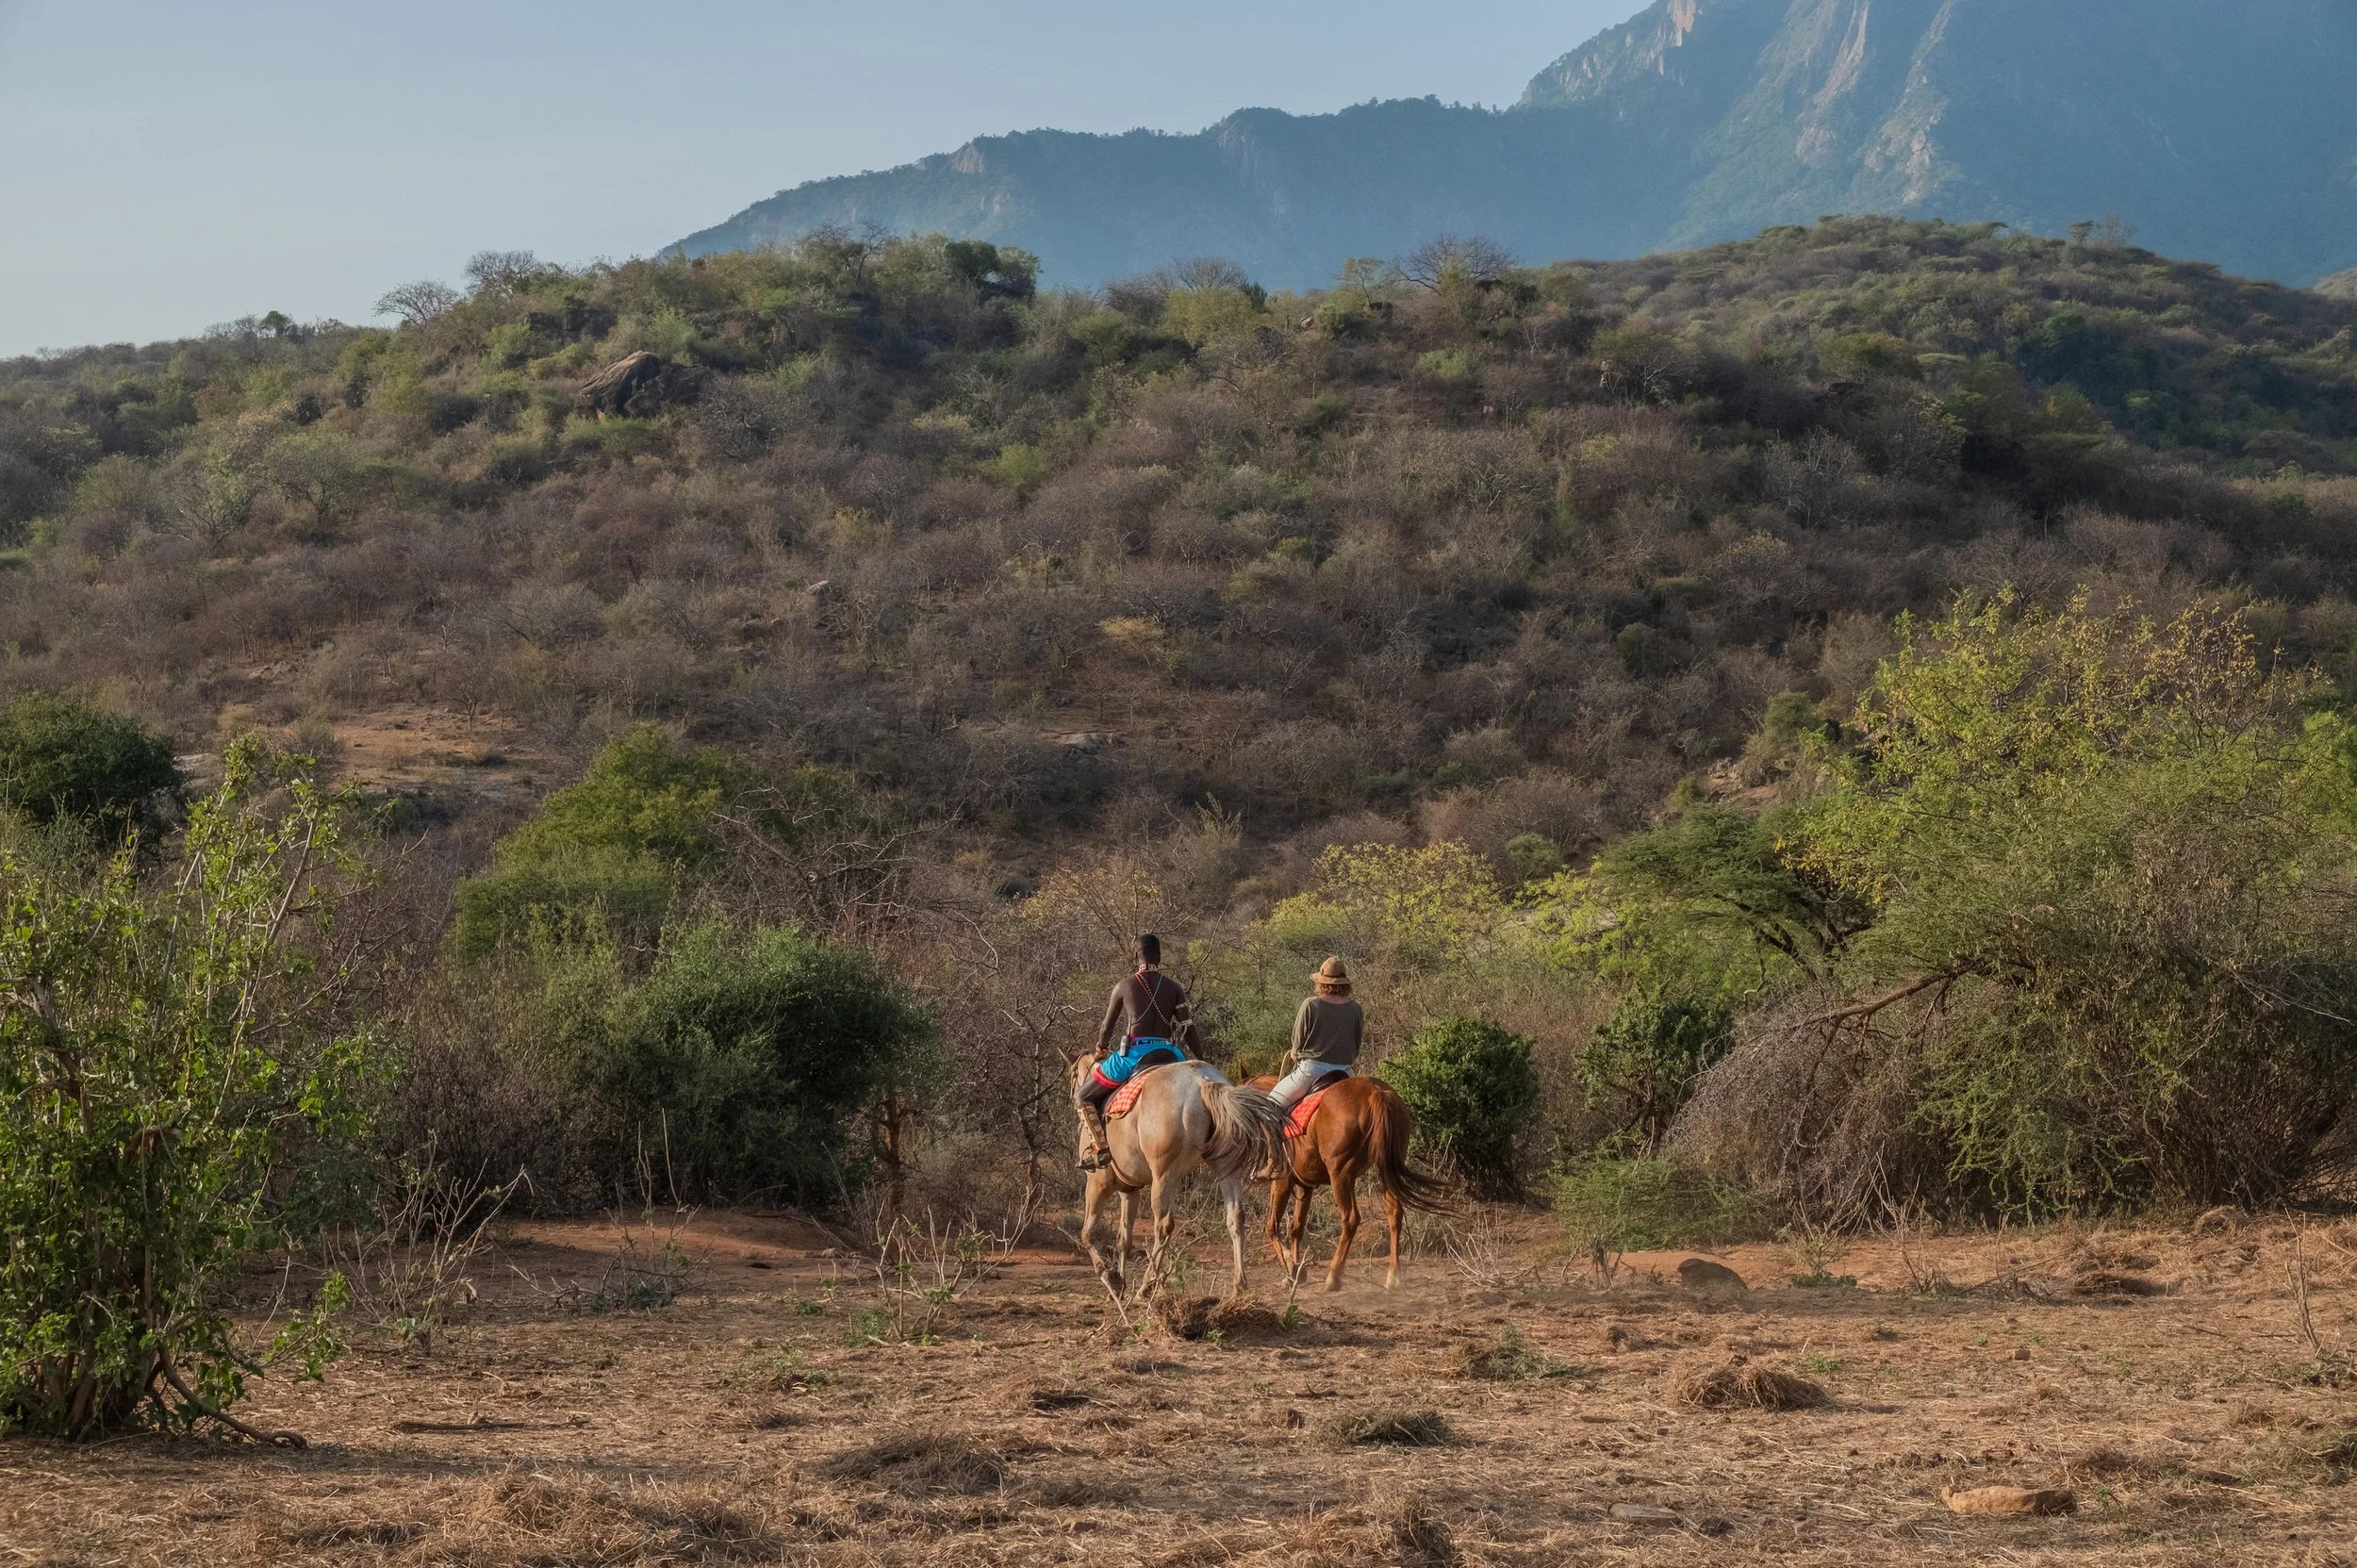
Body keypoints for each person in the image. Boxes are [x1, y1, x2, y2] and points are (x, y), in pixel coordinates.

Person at [1074, 933, 1200, 1171]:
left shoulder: (1124, 986)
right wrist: (1202, 1060)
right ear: (1159, 956)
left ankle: (1100, 1148)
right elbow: (1188, 1029)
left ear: (1135, 956)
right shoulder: (1173, 988)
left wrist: (1101, 1048)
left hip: (1133, 1055)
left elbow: (1106, 1027)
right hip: (1171, 1053)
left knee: (1082, 1096)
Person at [1270, 957, 1363, 1110]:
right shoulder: (1355, 1008)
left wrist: (1295, 1052)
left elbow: (1298, 1040)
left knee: (1270, 1105)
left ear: (1321, 982)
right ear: (1345, 983)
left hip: (1312, 1070)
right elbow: (1357, 1042)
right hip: (1345, 1072)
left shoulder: (1311, 1004)